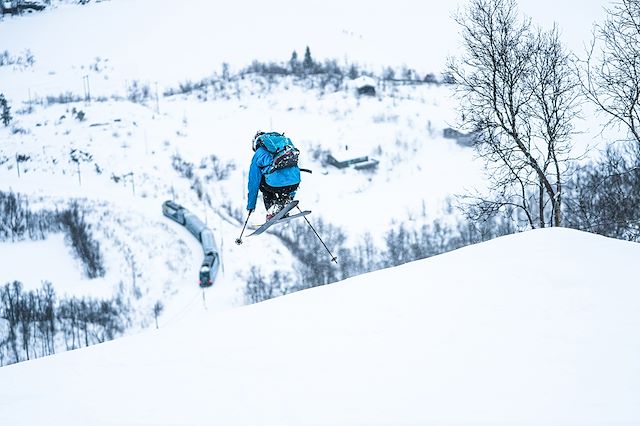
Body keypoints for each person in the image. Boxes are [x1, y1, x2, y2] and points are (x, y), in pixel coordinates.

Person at [246, 131, 301, 221]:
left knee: (263, 180)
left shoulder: (259, 153)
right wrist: (291, 196)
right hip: (294, 183)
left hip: (274, 185)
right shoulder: (285, 146)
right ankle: (284, 202)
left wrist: (251, 205)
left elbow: (253, 181)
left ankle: (272, 209)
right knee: (280, 176)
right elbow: (292, 171)